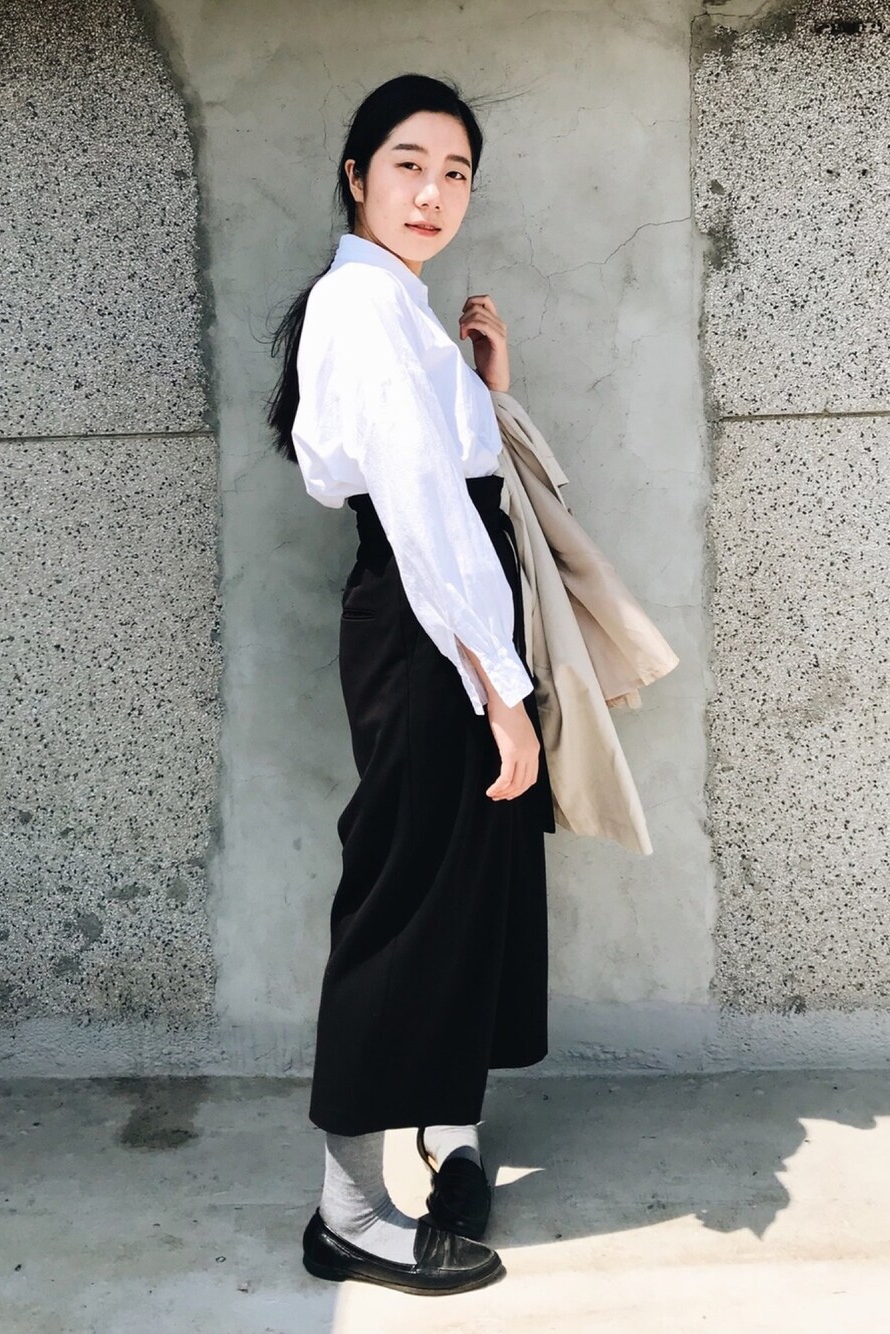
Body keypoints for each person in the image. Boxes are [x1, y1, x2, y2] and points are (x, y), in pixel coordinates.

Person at [266, 72, 554, 1297]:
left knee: (462, 875)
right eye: (407, 164)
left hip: (442, 616)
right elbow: (426, 511)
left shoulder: (398, 306)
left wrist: (481, 380)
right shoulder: (359, 303)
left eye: (455, 173)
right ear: (356, 174)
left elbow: (447, 473)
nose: (432, 193)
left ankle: (444, 1124)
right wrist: (499, 686)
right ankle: (344, 1212)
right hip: (429, 624)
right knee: (407, 887)